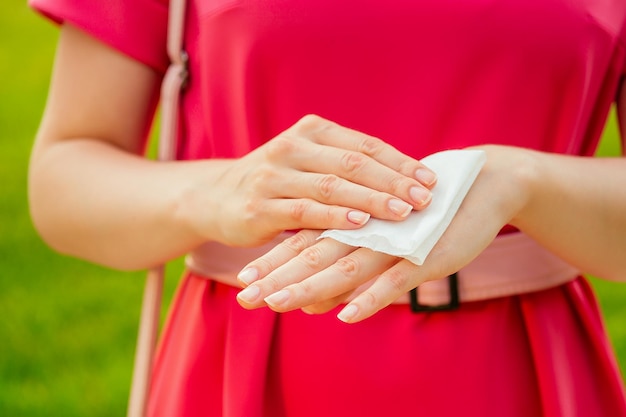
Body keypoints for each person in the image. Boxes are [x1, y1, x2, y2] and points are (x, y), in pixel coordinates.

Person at [28, 0, 626, 416]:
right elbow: (63, 182)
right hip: (247, 367)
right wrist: (216, 192)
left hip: (519, 378)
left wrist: (524, 182)